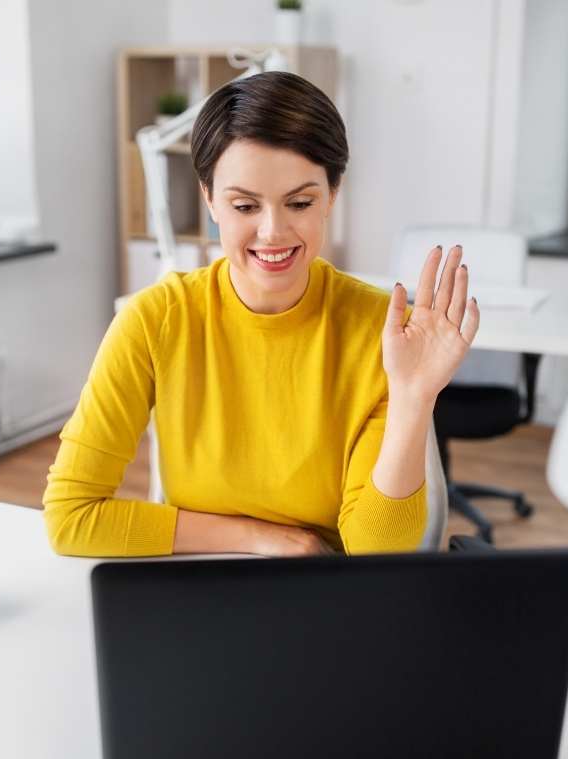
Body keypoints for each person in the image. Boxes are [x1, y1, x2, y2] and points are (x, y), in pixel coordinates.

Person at [42, 71, 479, 558]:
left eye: (300, 202)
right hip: (203, 584)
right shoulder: (155, 320)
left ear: (333, 194)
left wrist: (413, 398)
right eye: (245, 205)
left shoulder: (384, 332)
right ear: (209, 198)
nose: (272, 231)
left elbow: (375, 551)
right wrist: (260, 537)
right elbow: (71, 516)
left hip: (325, 594)